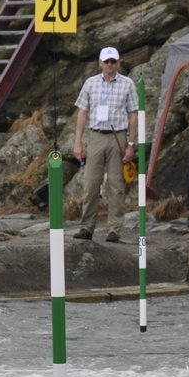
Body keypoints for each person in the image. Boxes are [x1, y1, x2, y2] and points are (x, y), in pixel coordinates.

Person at [70, 45, 137, 242]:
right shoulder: (90, 83)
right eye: (106, 61)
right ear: (100, 63)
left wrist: (131, 144)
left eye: (113, 61)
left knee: (116, 184)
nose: (109, 65)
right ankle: (87, 226)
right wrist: (78, 142)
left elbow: (133, 115)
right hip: (96, 135)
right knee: (91, 183)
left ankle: (114, 228)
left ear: (119, 63)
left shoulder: (127, 84)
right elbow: (82, 113)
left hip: (118, 135)